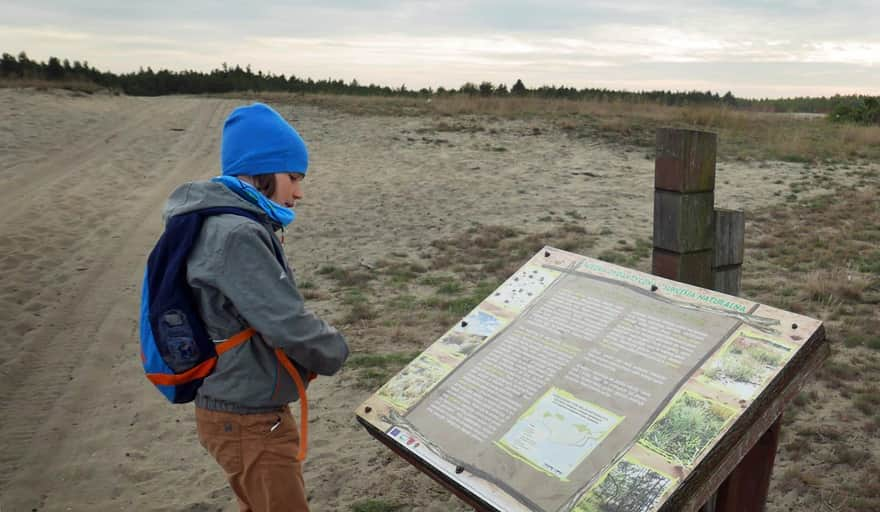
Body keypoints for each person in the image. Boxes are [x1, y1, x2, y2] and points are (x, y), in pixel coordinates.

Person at [162, 102, 349, 511]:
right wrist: (336, 350)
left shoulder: (226, 220)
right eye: (293, 177)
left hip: (237, 408)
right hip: (248, 419)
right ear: (261, 170)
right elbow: (285, 322)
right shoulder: (237, 233)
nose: (299, 191)